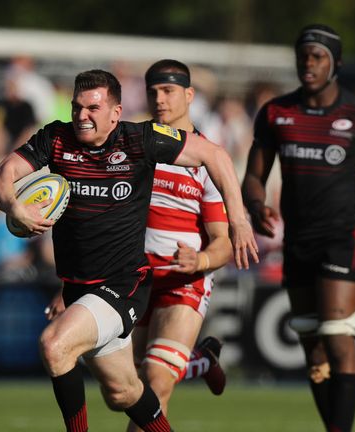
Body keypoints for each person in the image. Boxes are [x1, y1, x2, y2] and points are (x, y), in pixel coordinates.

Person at [0, 69, 257, 432]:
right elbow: (1, 175)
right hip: (78, 288)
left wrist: (238, 220)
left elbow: (216, 156)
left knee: (54, 345)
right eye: (77, 107)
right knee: (124, 392)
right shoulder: (55, 138)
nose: (83, 116)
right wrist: (13, 206)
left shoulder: (140, 139)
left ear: (116, 112)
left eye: (93, 108)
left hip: (123, 285)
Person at [242, 24, 355, 432]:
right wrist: (256, 204)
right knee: (315, 355)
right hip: (298, 243)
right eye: (303, 55)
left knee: (339, 338)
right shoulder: (275, 113)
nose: (309, 63)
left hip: (345, 239)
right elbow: (253, 176)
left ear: (336, 63)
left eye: (318, 56)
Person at [122, 59, 235, 432]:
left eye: (168, 91)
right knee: (129, 387)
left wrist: (200, 259)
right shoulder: (136, 149)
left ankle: (193, 362)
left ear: (189, 95)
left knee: (156, 381)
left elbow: (224, 244)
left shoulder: (206, 160)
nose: (159, 100)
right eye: (153, 91)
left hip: (183, 282)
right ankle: (201, 362)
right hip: (136, 279)